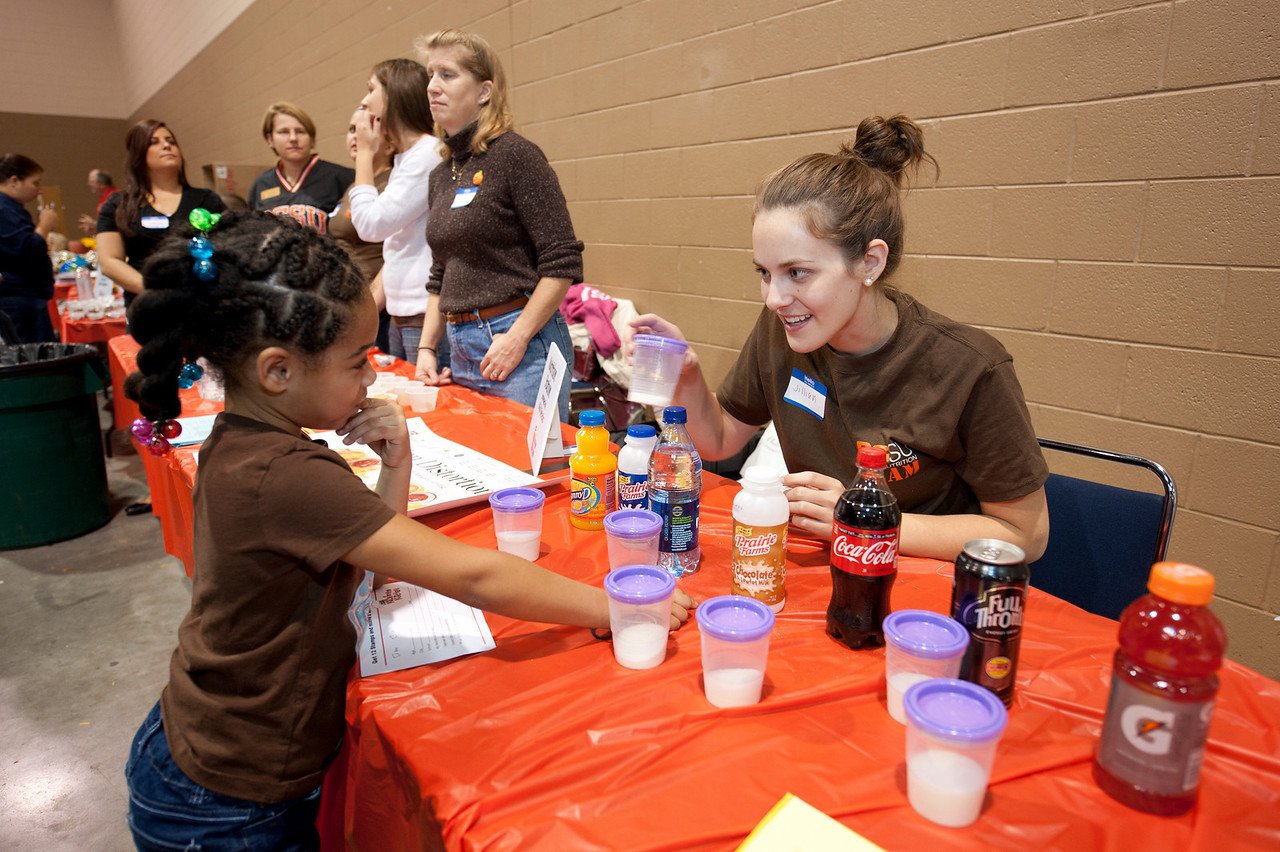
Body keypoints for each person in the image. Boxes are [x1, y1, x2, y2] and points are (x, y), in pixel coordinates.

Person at [121, 210, 693, 849]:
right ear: (277, 371)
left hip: (211, 752)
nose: (371, 379)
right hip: (227, 799)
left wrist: (398, 462)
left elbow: (376, 555)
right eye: (357, 362)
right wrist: (619, 605)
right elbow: (472, 574)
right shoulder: (285, 474)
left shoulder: (250, 442)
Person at [630, 116, 1050, 562]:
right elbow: (718, 441)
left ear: (869, 263)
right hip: (822, 569)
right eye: (764, 273)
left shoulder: (970, 368)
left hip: (920, 590)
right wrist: (688, 375)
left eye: (797, 273)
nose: (775, 298)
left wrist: (862, 520)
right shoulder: (782, 330)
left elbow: (1024, 536)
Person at [416, 29, 578, 418]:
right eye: (430, 75)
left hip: (518, 343)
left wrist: (517, 338)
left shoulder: (515, 156)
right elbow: (442, 273)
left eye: (447, 75)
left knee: (527, 474)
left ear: (484, 91)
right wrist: (426, 348)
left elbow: (562, 263)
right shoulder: (442, 174)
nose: (433, 87)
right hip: (461, 347)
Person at [349, 58, 445, 365]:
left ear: (394, 94)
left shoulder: (427, 155)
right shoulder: (407, 158)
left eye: (371, 89)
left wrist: (365, 154)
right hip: (402, 311)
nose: (364, 101)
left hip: (422, 313)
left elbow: (370, 226)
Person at [96, 120, 225, 307]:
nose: (166, 145)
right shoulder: (119, 204)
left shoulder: (207, 199)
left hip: (201, 305)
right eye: (154, 142)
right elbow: (109, 261)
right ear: (138, 154)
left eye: (171, 141)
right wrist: (153, 290)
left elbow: (227, 249)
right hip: (146, 307)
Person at [329, 106, 394, 353]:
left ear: (390, 142)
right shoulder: (353, 186)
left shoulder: (393, 182)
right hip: (350, 304)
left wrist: (366, 309)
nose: (356, 136)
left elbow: (400, 251)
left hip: (378, 311)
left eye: (366, 129)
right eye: (352, 129)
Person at [249, 102, 353, 234]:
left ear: (312, 139)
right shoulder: (261, 184)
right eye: (284, 132)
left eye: (300, 131)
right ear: (270, 139)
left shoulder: (342, 178)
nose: (293, 138)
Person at [0, 153, 57, 342]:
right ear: (14, 181)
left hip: (25, 299)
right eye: (35, 183)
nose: (39, 190)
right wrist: (44, 227)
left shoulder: (12, 207)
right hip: (19, 300)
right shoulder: (3, 209)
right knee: (31, 359)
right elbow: (24, 251)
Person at [78, 168, 116, 234]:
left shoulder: (114, 198)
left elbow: (116, 224)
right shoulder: (105, 197)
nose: (89, 184)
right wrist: (95, 228)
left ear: (102, 184)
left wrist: (95, 224)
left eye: (92, 182)